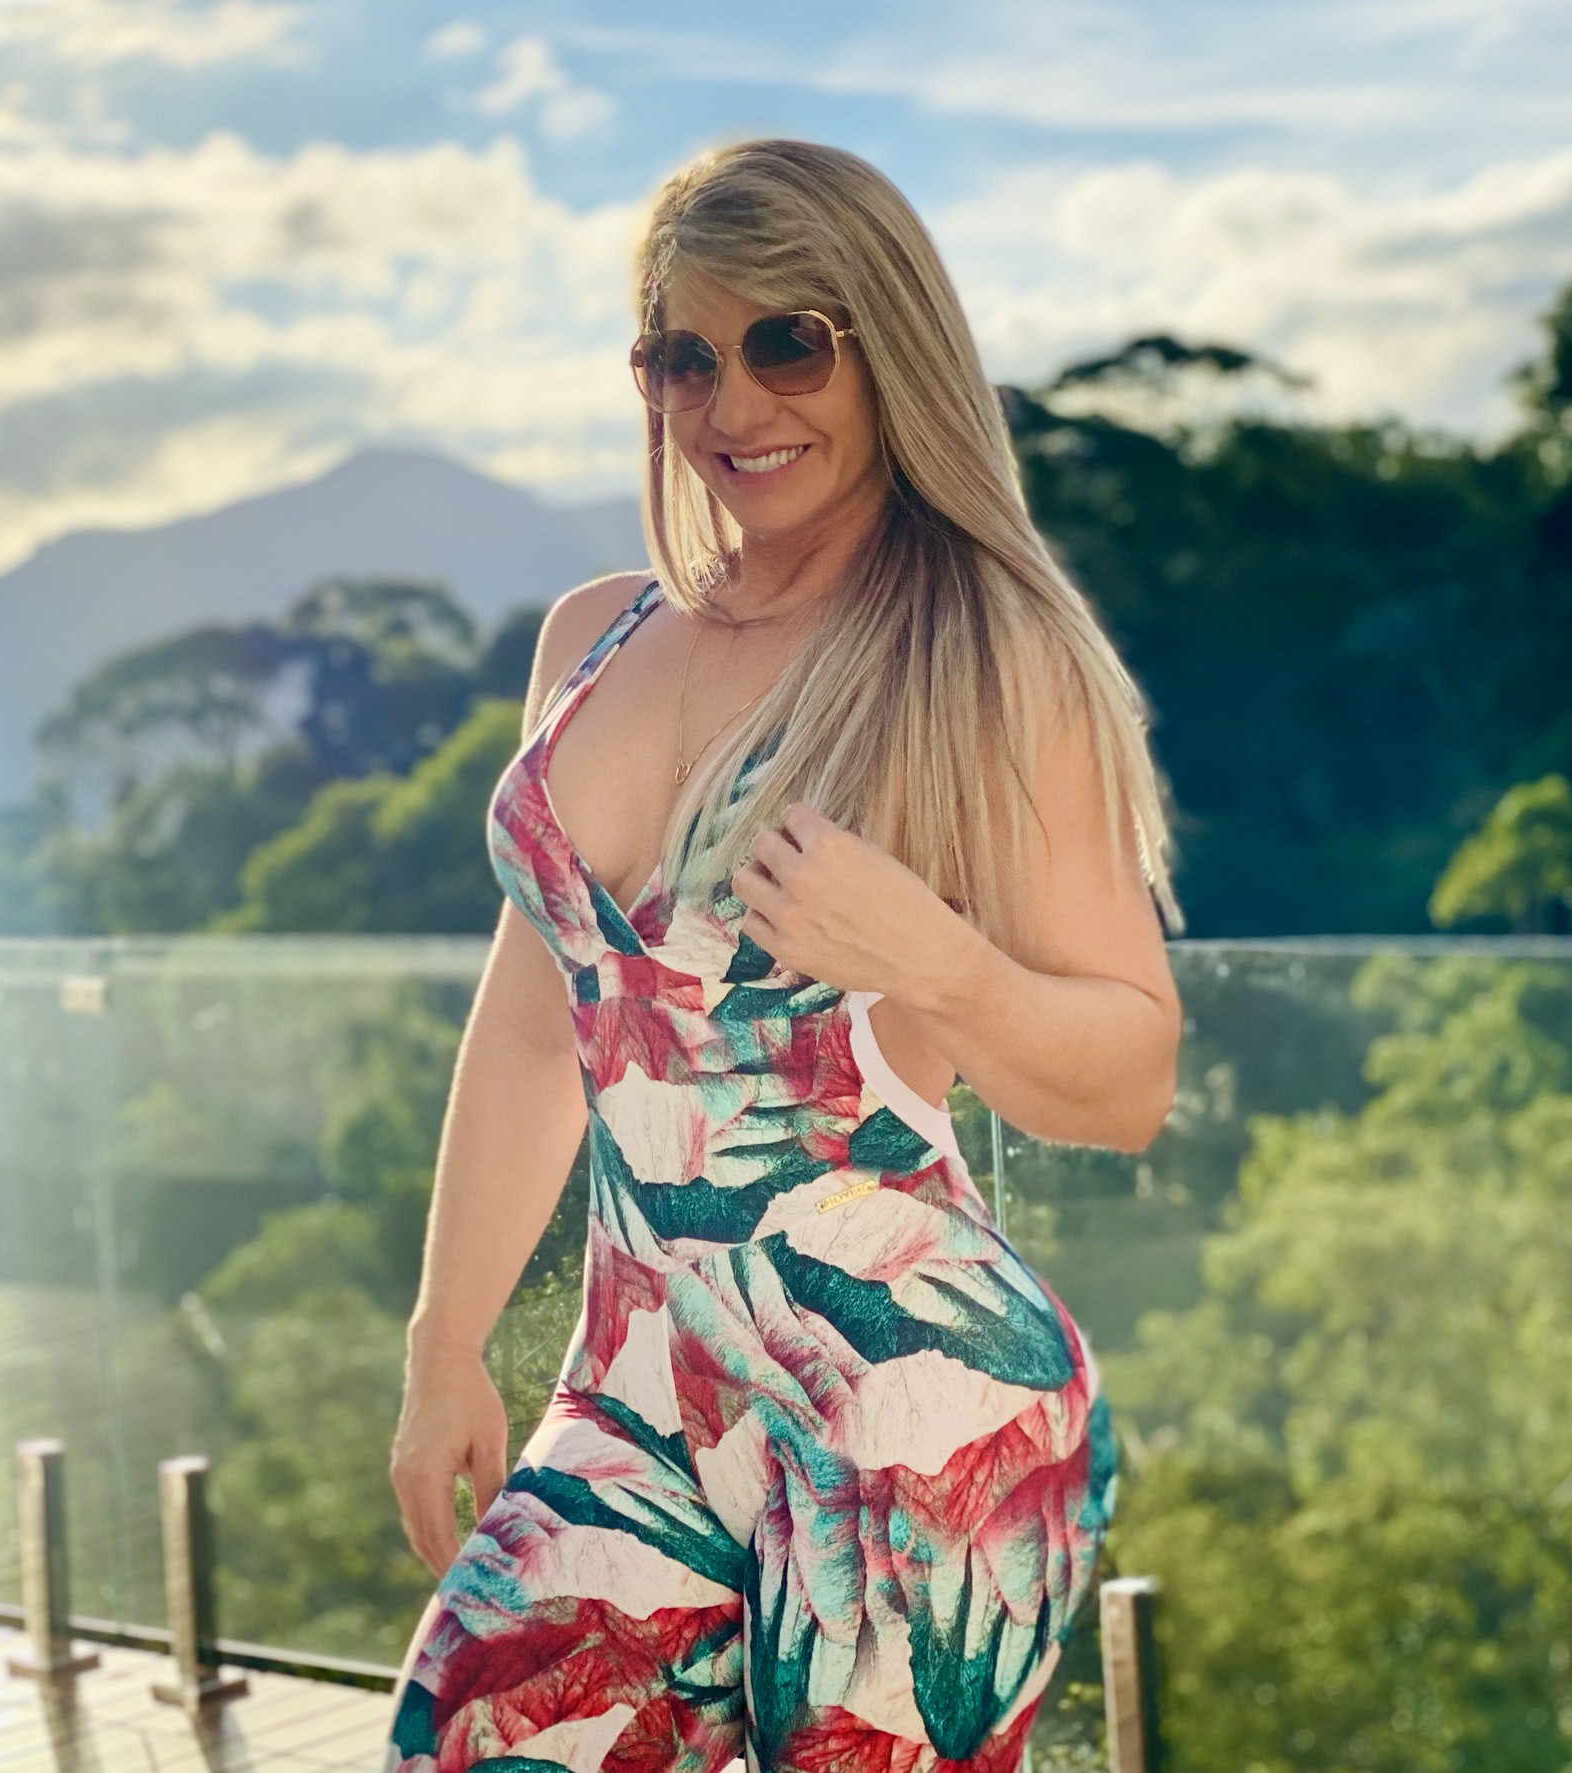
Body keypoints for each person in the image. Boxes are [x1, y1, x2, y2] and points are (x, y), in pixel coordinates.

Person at [383, 137, 1184, 1773]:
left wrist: (944, 963)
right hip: (635, 1393)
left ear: (886, 343)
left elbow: (1128, 1079)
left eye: (785, 343)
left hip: (921, 1416)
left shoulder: (983, 655)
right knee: (468, 1736)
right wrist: (443, 1341)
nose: (730, 402)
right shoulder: (593, 634)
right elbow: (538, 1026)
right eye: (681, 356)